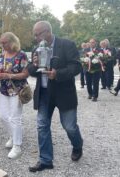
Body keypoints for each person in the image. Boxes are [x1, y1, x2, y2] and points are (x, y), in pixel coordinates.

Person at [27, 21, 83, 172]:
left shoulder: (66, 44)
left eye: (37, 34)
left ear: (47, 32)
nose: (36, 37)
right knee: (42, 126)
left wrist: (58, 74)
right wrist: (34, 64)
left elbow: (76, 66)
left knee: (69, 127)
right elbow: (31, 70)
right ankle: (45, 160)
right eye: (35, 34)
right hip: (44, 94)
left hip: (64, 93)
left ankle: (77, 146)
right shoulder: (37, 48)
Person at [0, 32, 29, 159]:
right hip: (4, 89)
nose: (2, 45)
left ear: (12, 42)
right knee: (3, 116)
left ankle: (17, 146)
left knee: (15, 118)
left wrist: (10, 75)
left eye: (4, 42)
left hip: (18, 90)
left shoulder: (21, 55)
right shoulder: (1, 55)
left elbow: (26, 74)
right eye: (1, 43)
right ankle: (14, 135)